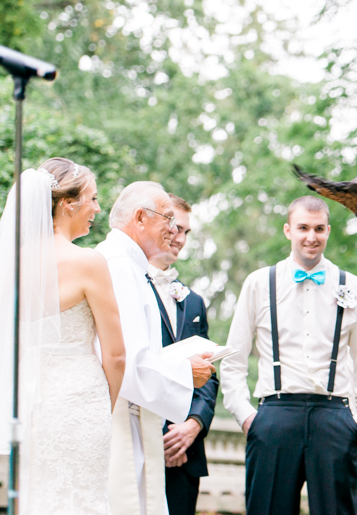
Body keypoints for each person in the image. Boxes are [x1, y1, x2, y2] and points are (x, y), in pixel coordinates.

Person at [0, 158, 127, 514]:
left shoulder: (13, 264)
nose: (97, 209)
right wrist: (104, 407)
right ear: (68, 203)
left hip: (31, 406)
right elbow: (116, 356)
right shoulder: (89, 262)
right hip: (82, 403)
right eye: (92, 198)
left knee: (38, 499)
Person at [220, 195, 357, 515]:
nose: (311, 236)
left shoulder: (353, 285)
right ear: (288, 230)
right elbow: (233, 358)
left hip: (335, 416)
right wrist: (247, 417)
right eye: (303, 227)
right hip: (275, 415)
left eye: (319, 228)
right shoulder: (259, 283)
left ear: (328, 231)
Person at [96, 181, 216, 515]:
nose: (174, 231)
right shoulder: (119, 267)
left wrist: (192, 421)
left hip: (140, 417)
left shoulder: (128, 265)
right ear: (140, 218)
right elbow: (124, 359)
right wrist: (185, 372)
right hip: (121, 419)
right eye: (168, 220)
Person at [147, 194, 219, 515]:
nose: (180, 238)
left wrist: (192, 424)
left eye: (187, 232)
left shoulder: (193, 302)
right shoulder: (125, 285)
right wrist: (164, 435)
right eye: (175, 228)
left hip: (186, 452)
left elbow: (207, 374)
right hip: (140, 442)